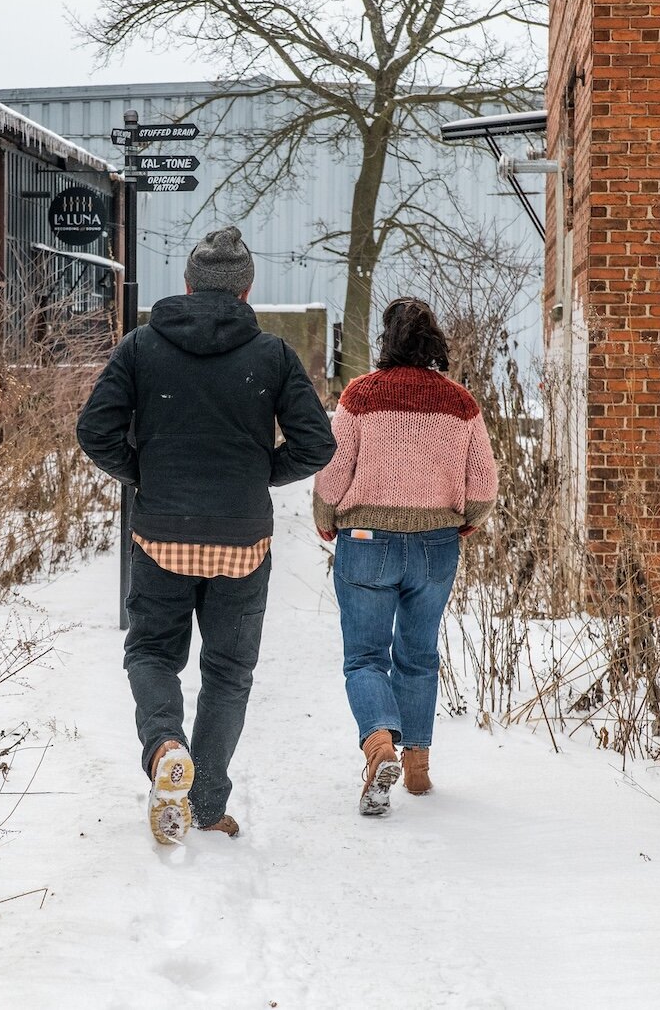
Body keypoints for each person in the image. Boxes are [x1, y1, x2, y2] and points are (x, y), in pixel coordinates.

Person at [77, 225, 336, 846]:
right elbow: (317, 443)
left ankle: (166, 743)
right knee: (228, 671)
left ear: (187, 285)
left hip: (161, 532)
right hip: (242, 541)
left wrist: (147, 474)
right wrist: (258, 474)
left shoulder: (142, 347)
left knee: (152, 653)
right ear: (247, 291)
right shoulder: (272, 355)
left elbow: (95, 430)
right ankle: (207, 801)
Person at [311, 297, 498, 816]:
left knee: (365, 657)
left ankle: (378, 747)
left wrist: (327, 519)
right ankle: (417, 769)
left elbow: (332, 473)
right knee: (418, 655)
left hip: (367, 540)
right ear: (433, 340)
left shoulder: (361, 397)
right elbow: (483, 485)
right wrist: (464, 520)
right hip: (436, 543)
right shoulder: (460, 403)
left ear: (386, 342)